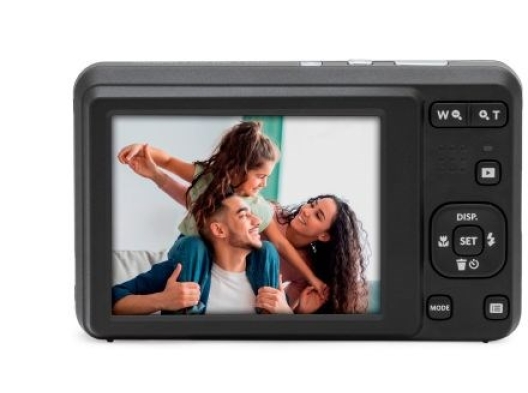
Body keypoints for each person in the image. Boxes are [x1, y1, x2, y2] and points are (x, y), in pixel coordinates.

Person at [118, 121, 328, 300]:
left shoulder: (258, 207)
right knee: (196, 246)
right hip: (189, 255)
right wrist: (141, 149)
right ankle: (188, 315)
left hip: (225, 266)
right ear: (238, 169)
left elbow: (281, 244)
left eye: (267, 177)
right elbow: (169, 161)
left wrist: (313, 279)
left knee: (267, 249)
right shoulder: (208, 179)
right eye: (260, 176)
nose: (264, 184)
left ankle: (266, 312)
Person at [124, 163, 370, 314]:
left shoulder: (299, 270)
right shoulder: (267, 213)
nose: (306, 210)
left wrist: (298, 312)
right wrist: (158, 176)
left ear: (325, 235)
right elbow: (205, 206)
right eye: (312, 204)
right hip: (201, 263)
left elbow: (282, 308)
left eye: (318, 215)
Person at [113, 194, 293, 315]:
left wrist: (286, 312)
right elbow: (113, 300)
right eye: (244, 215)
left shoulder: (266, 277)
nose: (258, 221)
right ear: (219, 230)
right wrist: (162, 300)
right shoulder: (181, 271)